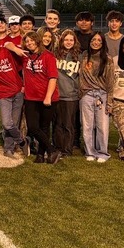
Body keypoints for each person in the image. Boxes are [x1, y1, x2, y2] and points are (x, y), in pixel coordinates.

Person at [22, 32, 61, 164]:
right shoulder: (25, 56)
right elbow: (8, 45)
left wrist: (48, 96)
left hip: (48, 97)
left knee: (44, 127)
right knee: (33, 127)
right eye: (27, 41)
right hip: (31, 97)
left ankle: (40, 155)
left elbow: (53, 77)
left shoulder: (48, 56)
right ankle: (51, 150)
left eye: (32, 40)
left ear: (38, 41)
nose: (29, 43)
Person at [79, 32, 114, 162]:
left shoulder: (108, 59)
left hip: (102, 95)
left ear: (103, 43)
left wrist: (109, 102)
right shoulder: (84, 56)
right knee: (87, 125)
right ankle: (90, 152)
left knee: (102, 126)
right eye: (93, 39)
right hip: (86, 95)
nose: (96, 42)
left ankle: (103, 152)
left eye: (99, 40)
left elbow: (111, 82)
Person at [51, 29, 81, 157]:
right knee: (57, 124)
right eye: (66, 39)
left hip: (71, 95)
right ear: (61, 41)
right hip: (57, 94)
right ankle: (58, 147)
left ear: (74, 42)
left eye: (71, 40)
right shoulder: (55, 55)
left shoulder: (79, 56)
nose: (68, 42)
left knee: (69, 124)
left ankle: (67, 150)